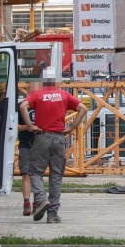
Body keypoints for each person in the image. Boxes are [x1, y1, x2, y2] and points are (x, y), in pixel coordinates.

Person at [20, 79, 87, 224]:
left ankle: (41, 199)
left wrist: (30, 126)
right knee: (56, 176)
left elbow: (23, 106)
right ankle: (52, 215)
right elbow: (83, 109)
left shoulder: (37, 95)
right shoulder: (64, 95)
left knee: (36, 172)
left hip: (42, 137)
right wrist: (73, 127)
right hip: (59, 139)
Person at [17, 87, 37, 216]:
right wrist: (29, 127)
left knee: (37, 175)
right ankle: (26, 202)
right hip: (25, 143)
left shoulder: (43, 104)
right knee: (25, 173)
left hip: (40, 143)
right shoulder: (20, 106)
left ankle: (37, 201)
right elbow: (15, 126)